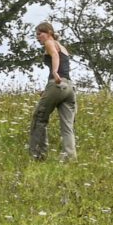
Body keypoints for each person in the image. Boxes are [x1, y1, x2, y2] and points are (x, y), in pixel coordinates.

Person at [29, 22, 77, 162]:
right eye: (36, 35)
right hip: (69, 87)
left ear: (49, 32)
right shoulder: (63, 47)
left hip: (57, 85)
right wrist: (46, 89)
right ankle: (70, 157)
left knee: (39, 118)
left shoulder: (50, 43)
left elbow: (55, 56)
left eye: (40, 34)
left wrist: (54, 72)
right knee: (67, 125)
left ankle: (38, 155)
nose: (38, 37)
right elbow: (64, 66)